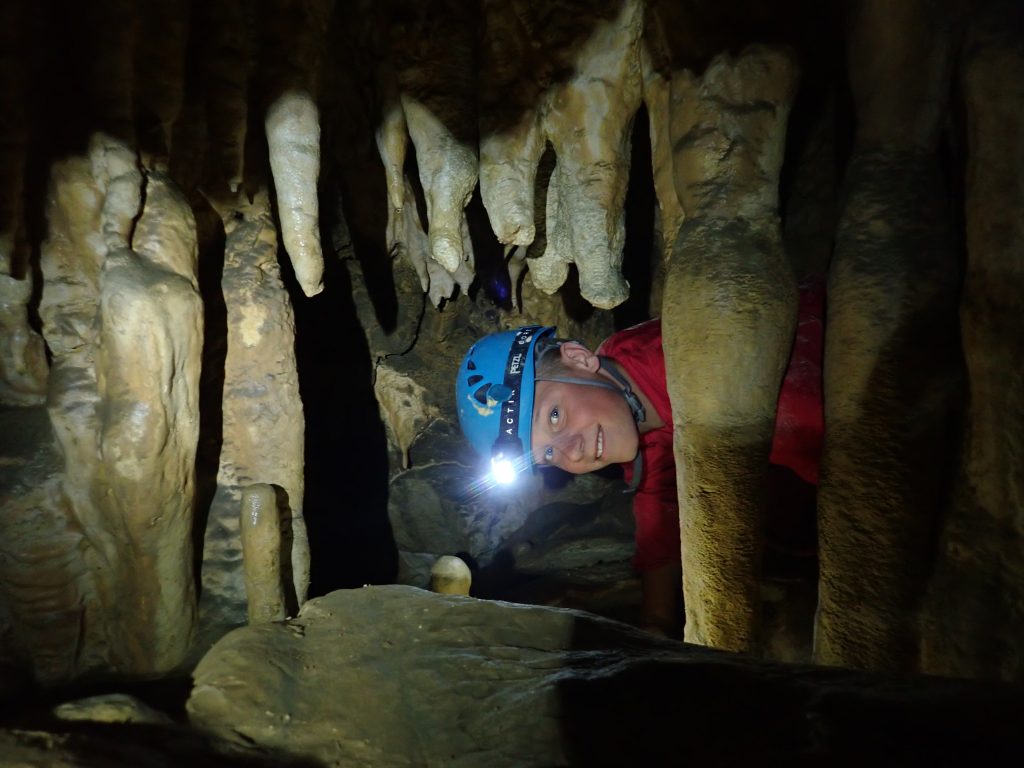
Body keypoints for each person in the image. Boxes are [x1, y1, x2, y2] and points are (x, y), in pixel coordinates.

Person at [456, 279, 825, 637]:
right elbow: (659, 507)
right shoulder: (635, 406)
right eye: (548, 455)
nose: (572, 450)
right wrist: (655, 624)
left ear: (579, 359)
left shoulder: (697, 357)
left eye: (555, 416)